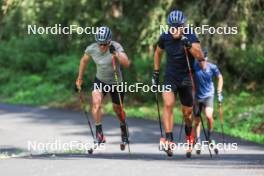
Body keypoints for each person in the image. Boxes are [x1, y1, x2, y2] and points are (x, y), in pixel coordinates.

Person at [152, 10, 205, 155]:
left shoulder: (190, 34)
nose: (174, 29)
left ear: (184, 25)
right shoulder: (165, 37)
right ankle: (169, 139)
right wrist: (156, 73)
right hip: (170, 76)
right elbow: (157, 53)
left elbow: (200, 57)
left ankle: (189, 135)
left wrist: (187, 43)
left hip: (187, 77)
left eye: (178, 26)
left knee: (187, 114)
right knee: (168, 104)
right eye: (172, 26)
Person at [76, 26, 131, 145]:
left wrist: (116, 54)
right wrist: (80, 77)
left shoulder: (116, 46)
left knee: (118, 109)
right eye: (100, 44)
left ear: (109, 41)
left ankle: (123, 127)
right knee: (96, 103)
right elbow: (83, 61)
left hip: (116, 82)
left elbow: (127, 63)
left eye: (105, 44)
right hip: (100, 80)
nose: (102, 47)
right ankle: (99, 134)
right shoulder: (92, 48)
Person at [193, 49, 223, 152]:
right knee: (197, 121)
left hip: (208, 95)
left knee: (209, 116)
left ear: (206, 59)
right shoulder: (194, 66)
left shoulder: (212, 67)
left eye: (203, 60)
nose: (201, 63)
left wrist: (219, 93)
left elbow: (220, 78)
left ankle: (210, 138)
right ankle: (198, 141)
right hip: (197, 97)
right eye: (199, 60)